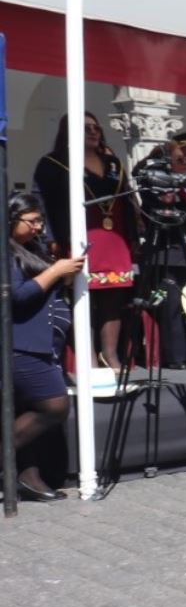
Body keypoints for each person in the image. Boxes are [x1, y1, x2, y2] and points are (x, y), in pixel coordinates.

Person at [34, 112, 136, 371]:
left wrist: (133, 239)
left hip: (115, 238)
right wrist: (50, 239)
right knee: (81, 297)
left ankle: (110, 355)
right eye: (85, 128)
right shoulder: (53, 163)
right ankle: (86, 358)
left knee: (113, 298)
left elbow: (127, 203)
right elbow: (42, 203)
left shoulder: (113, 163)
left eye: (96, 127)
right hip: (77, 238)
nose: (93, 132)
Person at [8, 193, 84, 501]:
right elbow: (17, 296)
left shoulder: (28, 249)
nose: (40, 227)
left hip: (39, 345)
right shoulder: (5, 251)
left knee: (28, 410)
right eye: (33, 220)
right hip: (21, 346)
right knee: (55, 406)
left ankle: (29, 478)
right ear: (12, 219)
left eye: (41, 220)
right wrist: (55, 271)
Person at [145, 129, 186, 372]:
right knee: (171, 306)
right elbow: (157, 215)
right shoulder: (157, 184)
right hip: (169, 251)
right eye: (182, 158)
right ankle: (176, 357)